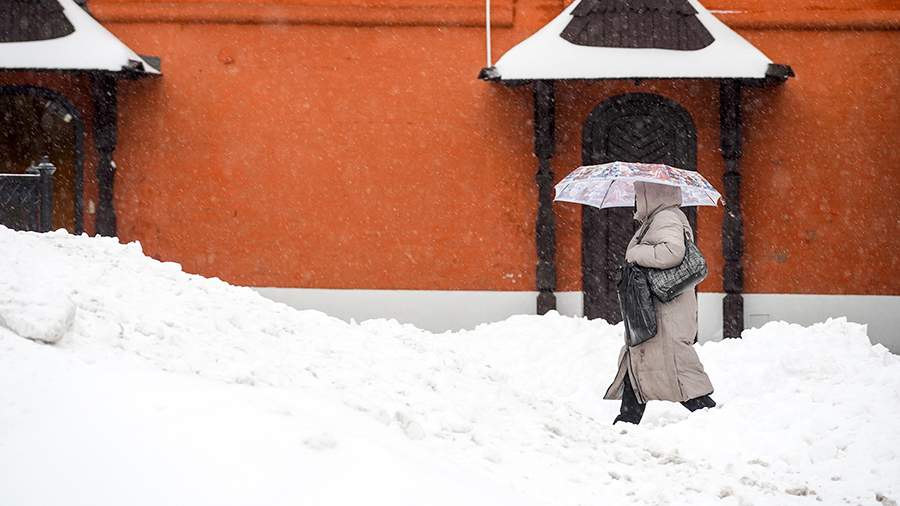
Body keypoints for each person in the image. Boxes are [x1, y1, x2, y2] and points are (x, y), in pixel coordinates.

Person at [604, 181, 716, 425]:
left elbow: (672, 252)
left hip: (667, 310)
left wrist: (635, 254)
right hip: (659, 308)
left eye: (639, 193)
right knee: (641, 358)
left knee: (672, 364)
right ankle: (628, 418)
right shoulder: (657, 219)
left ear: (652, 193)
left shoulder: (666, 217)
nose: (635, 199)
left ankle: (708, 413)